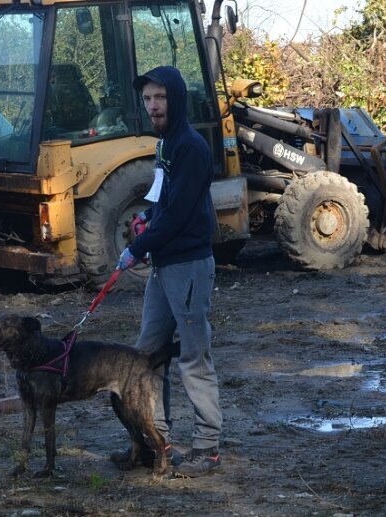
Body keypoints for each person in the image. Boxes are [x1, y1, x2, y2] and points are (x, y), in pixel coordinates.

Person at [112, 66, 222, 478]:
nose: (153, 106)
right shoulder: (165, 145)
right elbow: (163, 203)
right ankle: (154, 440)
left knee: (193, 357)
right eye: (147, 100)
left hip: (189, 265)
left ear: (175, 98)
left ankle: (207, 448)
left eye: (160, 98)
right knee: (147, 355)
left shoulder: (190, 147)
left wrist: (136, 247)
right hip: (164, 265)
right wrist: (146, 221)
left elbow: (178, 216)